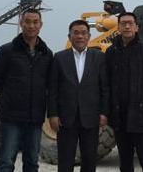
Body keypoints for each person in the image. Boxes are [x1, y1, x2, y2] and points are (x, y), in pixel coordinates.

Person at [0, 8, 53, 172]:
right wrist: (10, 96)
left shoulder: (46, 54)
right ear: (21, 23)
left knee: (32, 162)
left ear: (41, 25)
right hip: (11, 118)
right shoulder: (7, 51)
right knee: (7, 161)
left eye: (35, 22)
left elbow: (49, 83)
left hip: (35, 118)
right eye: (27, 22)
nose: (31, 26)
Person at [47, 20, 109, 172]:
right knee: (65, 160)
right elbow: (53, 89)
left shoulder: (99, 57)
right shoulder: (59, 58)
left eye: (83, 33)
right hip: (66, 119)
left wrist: (104, 112)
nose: (80, 36)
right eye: (76, 33)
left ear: (89, 36)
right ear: (69, 36)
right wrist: (53, 114)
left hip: (91, 117)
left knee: (89, 161)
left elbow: (105, 88)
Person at [105, 12, 143, 172]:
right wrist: (106, 112)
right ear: (118, 28)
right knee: (125, 161)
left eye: (130, 23)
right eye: (123, 23)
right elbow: (106, 84)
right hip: (120, 116)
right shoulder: (111, 52)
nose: (127, 26)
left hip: (142, 116)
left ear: (137, 27)